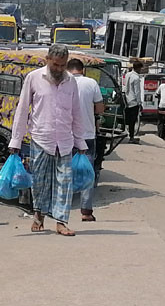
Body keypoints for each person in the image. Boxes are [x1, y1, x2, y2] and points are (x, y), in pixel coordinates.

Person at [9, 44, 87, 236]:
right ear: (47, 60)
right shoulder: (33, 78)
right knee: (40, 182)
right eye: (56, 65)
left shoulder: (71, 82)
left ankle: (61, 222)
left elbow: (76, 113)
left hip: (65, 141)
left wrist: (81, 141)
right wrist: (16, 140)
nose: (59, 69)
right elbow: (22, 110)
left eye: (63, 65)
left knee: (64, 182)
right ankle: (39, 216)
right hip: (40, 138)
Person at [69, 58, 104, 222]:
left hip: (66, 136)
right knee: (87, 173)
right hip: (87, 136)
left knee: (64, 171)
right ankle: (86, 212)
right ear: (83, 70)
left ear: (68, 70)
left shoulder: (63, 82)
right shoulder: (91, 83)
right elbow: (100, 108)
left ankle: (61, 208)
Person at [124, 60, 144, 143]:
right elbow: (137, 92)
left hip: (126, 99)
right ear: (138, 68)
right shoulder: (136, 78)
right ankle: (131, 137)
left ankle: (129, 134)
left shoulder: (127, 74)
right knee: (133, 120)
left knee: (127, 119)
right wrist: (140, 103)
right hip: (133, 101)